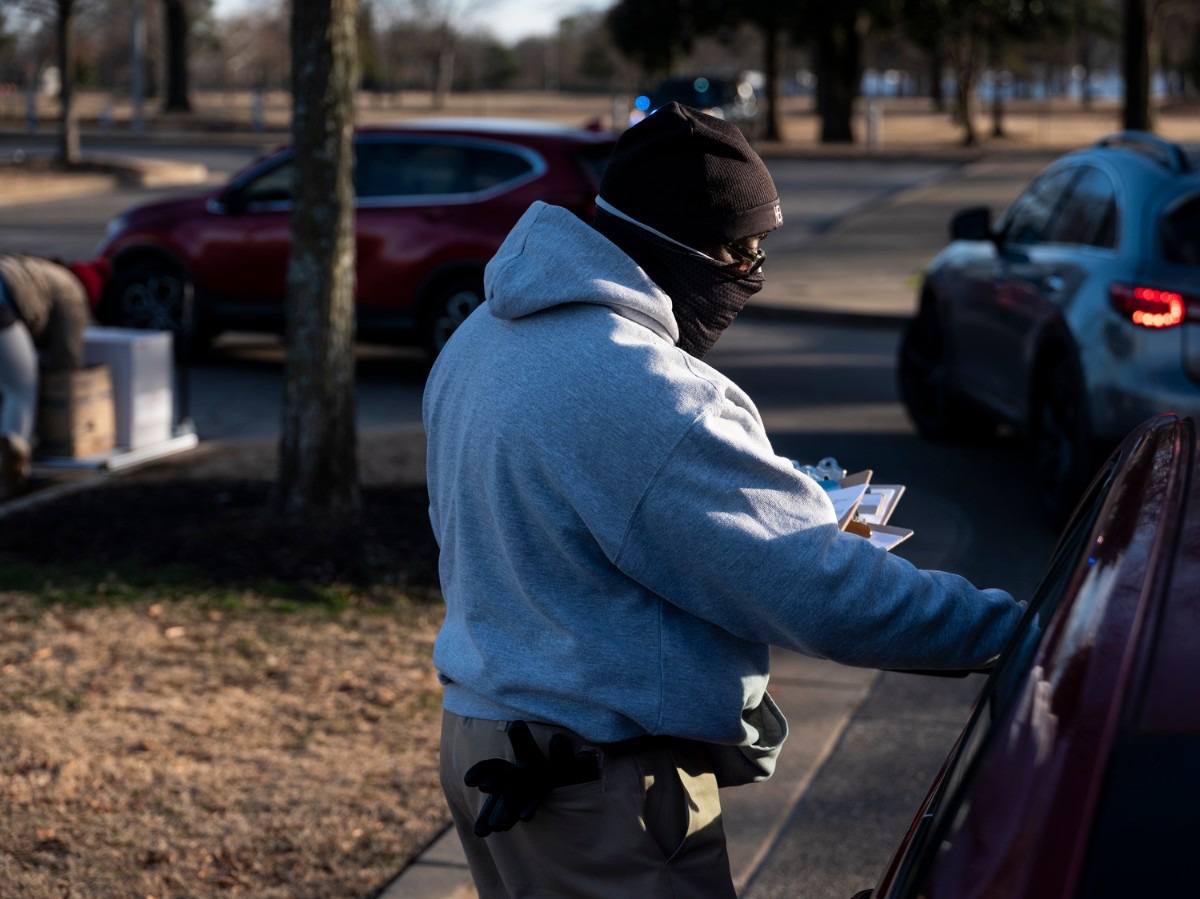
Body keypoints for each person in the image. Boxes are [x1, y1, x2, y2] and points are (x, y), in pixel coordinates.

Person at [422, 103, 1024, 899]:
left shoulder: (486, 337)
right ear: (672, 243)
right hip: (594, 790)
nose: (751, 271)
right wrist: (1021, 630)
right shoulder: (642, 385)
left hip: (488, 750)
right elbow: (820, 590)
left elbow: (601, 496)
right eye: (738, 250)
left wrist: (787, 492)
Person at [0, 253, 108, 497]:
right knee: (20, 389)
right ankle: (14, 472)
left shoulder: (45, 270)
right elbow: (66, 364)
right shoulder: (72, 292)